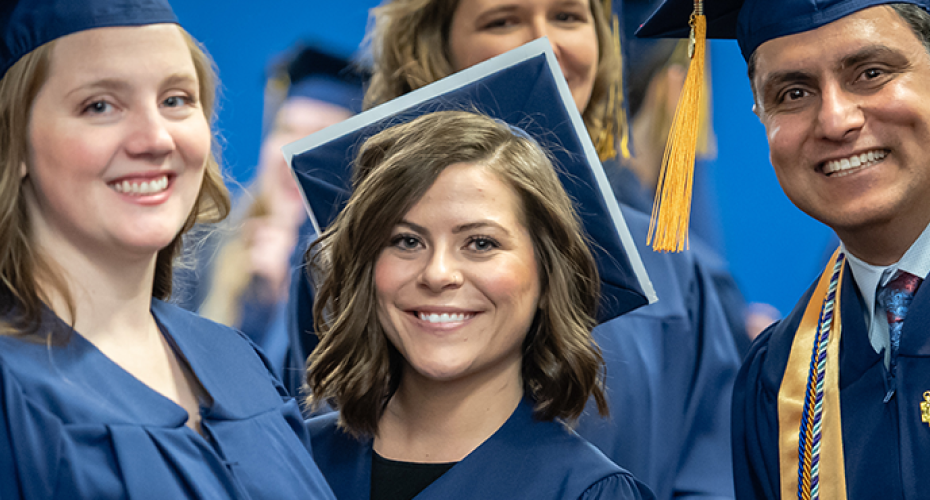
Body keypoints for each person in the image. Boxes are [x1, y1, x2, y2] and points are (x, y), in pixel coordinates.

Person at [288, 1, 740, 498]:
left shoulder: (672, 264)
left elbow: (709, 476)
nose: (545, 42)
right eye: (503, 20)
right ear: (433, 46)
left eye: (568, 17)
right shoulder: (347, 262)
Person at [0, 1, 336, 498]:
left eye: (176, 99)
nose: (156, 139)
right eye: (100, 105)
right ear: (14, 140)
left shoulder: (237, 361)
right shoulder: (13, 389)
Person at [638, 0, 930, 498]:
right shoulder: (775, 380)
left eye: (871, 72)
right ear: (760, 116)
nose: (835, 120)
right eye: (793, 92)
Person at [302, 107, 654, 500]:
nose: (437, 274)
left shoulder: (583, 491)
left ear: (546, 275)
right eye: (406, 241)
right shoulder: (292, 463)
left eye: (481, 243)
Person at [191, 44, 362, 381]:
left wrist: (292, 299)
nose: (293, 156)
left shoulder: (366, 274)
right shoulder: (198, 250)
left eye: (320, 137)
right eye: (285, 130)